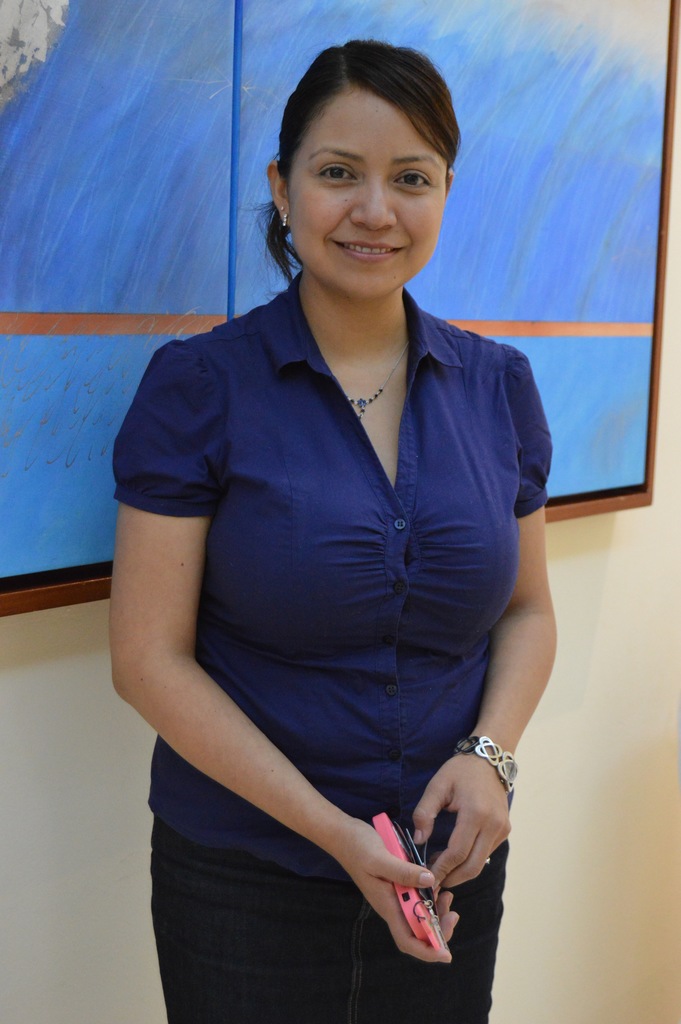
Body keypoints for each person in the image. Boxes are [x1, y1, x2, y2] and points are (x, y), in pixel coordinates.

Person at [110, 38, 556, 1024]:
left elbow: (527, 610)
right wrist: (336, 833)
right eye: (338, 173)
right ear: (283, 187)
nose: (375, 210)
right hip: (244, 883)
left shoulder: (500, 387)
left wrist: (491, 757)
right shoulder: (199, 387)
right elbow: (146, 661)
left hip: (447, 871)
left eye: (411, 178)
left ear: (445, 192)